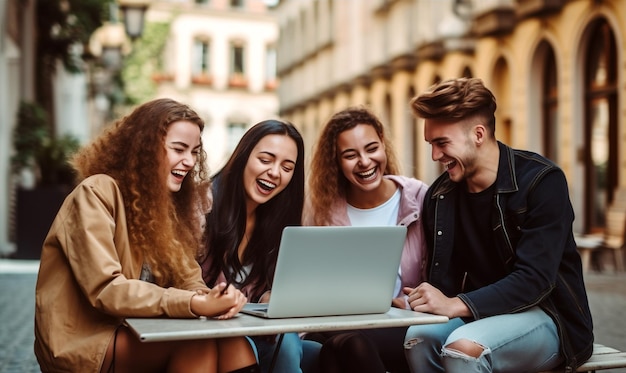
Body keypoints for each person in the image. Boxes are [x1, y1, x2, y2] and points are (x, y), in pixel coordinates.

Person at [34, 98, 259, 373]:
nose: (188, 161)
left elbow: (189, 279)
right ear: (144, 148)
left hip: (139, 330)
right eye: (179, 149)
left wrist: (214, 298)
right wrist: (193, 303)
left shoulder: (168, 207)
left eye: (194, 152)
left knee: (233, 340)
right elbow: (107, 289)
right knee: (195, 344)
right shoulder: (96, 192)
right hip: (87, 340)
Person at [403, 77, 594, 372]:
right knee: (419, 337)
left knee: (463, 351)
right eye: (431, 144)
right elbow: (445, 285)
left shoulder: (541, 181)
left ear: (478, 134)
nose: (435, 156)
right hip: (479, 315)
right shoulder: (440, 195)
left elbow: (535, 280)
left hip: (548, 315)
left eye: (442, 143)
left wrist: (455, 304)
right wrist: (420, 302)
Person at [303, 106, 429, 373]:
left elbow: (441, 275)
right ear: (336, 161)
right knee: (341, 342)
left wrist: (406, 302)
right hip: (336, 322)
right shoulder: (320, 210)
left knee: (343, 346)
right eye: (350, 155)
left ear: (383, 143)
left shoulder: (419, 198)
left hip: (400, 322)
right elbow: (307, 283)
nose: (364, 161)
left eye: (371, 148)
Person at [198, 119, 321, 373]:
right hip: (206, 334)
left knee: (333, 351)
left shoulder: (283, 221)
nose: (275, 172)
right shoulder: (201, 206)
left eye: (287, 167)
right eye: (266, 160)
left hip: (257, 331)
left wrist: (270, 297)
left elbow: (264, 292)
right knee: (286, 344)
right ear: (243, 157)